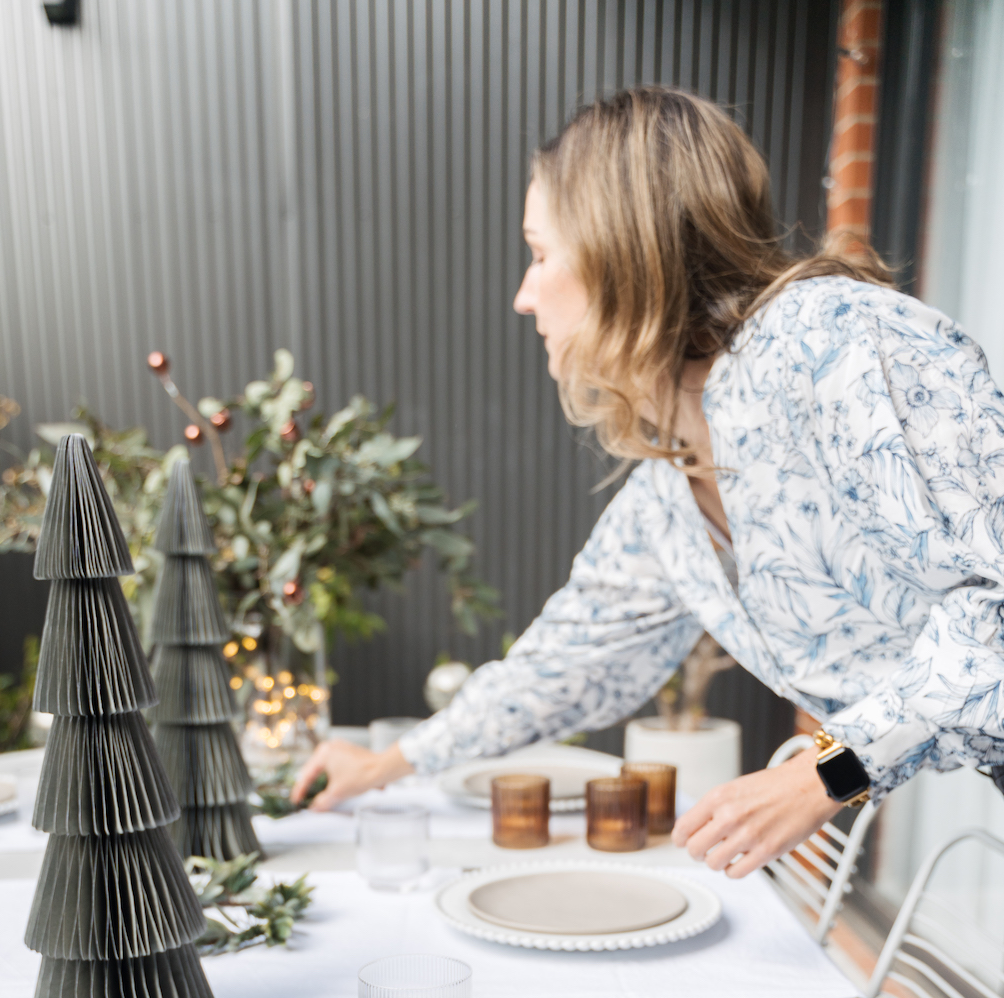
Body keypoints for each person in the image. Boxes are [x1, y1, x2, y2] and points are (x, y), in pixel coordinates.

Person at [291, 86, 1004, 877]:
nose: (523, 297)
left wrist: (828, 772)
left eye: (538, 253)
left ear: (617, 247)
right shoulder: (668, 493)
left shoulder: (840, 343)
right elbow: (565, 666)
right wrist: (387, 764)